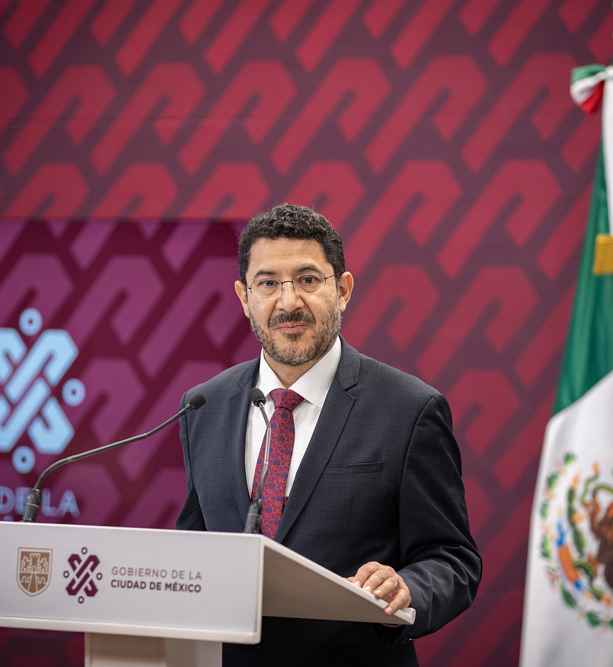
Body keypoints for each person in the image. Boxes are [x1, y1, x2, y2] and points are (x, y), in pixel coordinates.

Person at [177, 204, 481, 666]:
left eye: (307, 280)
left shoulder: (410, 409)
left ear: (342, 290)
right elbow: (194, 549)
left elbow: (452, 559)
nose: (288, 303)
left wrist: (406, 588)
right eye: (268, 284)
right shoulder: (203, 406)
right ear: (243, 297)